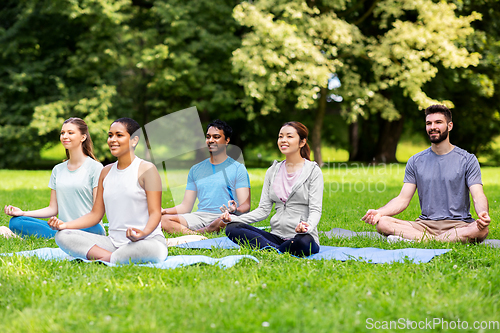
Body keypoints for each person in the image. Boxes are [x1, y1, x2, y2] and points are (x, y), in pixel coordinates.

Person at [362, 104, 490, 243]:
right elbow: (402, 199)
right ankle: (437, 240)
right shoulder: (415, 161)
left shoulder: (467, 159)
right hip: (425, 225)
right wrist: (380, 212)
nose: (432, 127)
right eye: (429, 123)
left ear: (450, 126)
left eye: (438, 122)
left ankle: (423, 241)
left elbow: (478, 195)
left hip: (459, 225)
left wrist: (483, 213)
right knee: (383, 223)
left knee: (482, 230)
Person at [48, 118, 168, 264]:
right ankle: (115, 257)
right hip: (112, 243)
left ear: (134, 140)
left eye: (119, 135)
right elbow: (95, 214)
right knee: (63, 236)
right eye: (110, 135)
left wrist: (143, 233)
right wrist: (64, 225)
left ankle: (106, 259)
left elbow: (155, 212)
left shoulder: (147, 169)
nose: (112, 140)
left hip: (146, 240)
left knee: (152, 250)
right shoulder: (105, 172)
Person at [222, 121, 323, 257]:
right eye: (280, 136)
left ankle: (273, 249)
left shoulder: (313, 171)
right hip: (275, 236)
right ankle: (279, 249)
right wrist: (234, 218)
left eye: (289, 136)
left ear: (302, 142)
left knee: (303, 243)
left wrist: (307, 227)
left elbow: (316, 210)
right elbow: (263, 210)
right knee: (232, 229)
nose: (283, 140)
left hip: (302, 236)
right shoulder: (272, 171)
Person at [4, 118, 106, 238]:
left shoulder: (95, 168)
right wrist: (23, 213)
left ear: (83, 137)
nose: (64, 136)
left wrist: (67, 226)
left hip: (89, 228)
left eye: (70, 132)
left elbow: (96, 213)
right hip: (62, 228)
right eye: (62, 133)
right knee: (16, 221)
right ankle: (59, 236)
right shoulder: (58, 169)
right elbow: (53, 209)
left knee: (93, 228)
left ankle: (56, 236)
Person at [161, 119, 251, 235]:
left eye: (216, 137)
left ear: (227, 140)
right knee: (163, 220)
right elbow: (186, 206)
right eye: (208, 137)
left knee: (224, 221)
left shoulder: (238, 168)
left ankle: (196, 233)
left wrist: (235, 210)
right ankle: (198, 235)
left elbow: (246, 205)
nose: (211, 140)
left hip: (225, 216)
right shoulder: (195, 169)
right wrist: (165, 211)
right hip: (200, 216)